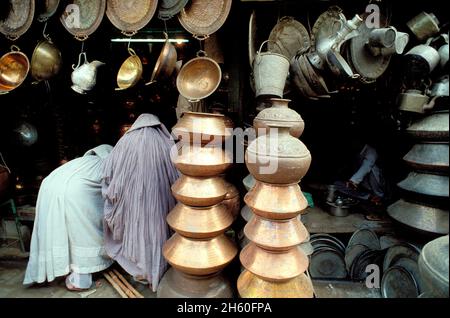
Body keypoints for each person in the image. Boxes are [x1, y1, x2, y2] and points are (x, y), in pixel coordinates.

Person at [101, 114, 179, 292]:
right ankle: (159, 269)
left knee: (137, 234)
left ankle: (141, 271)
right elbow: (178, 176)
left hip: (131, 205)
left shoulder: (124, 142)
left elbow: (107, 174)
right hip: (161, 202)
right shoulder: (165, 142)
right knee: (158, 234)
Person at [23, 145, 114, 291]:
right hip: (74, 189)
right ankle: (80, 279)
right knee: (83, 233)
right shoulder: (108, 163)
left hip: (48, 186)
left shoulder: (79, 162)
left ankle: (46, 271)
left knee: (57, 230)